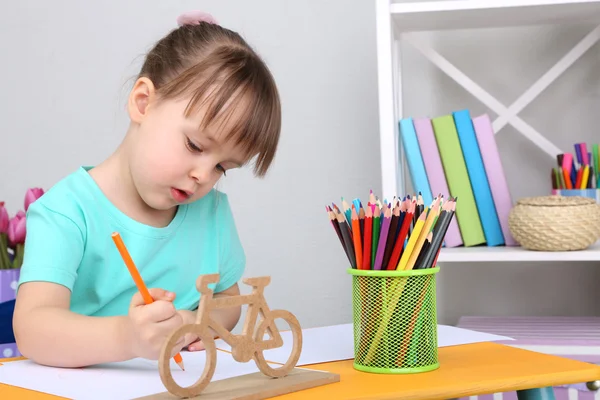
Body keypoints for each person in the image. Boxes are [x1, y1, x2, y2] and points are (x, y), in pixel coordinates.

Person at [13, 10, 281, 368]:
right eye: (195, 146)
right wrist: (127, 338)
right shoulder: (65, 211)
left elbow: (229, 301)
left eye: (222, 167)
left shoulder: (212, 212)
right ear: (143, 102)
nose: (204, 174)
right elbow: (32, 329)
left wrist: (196, 324)